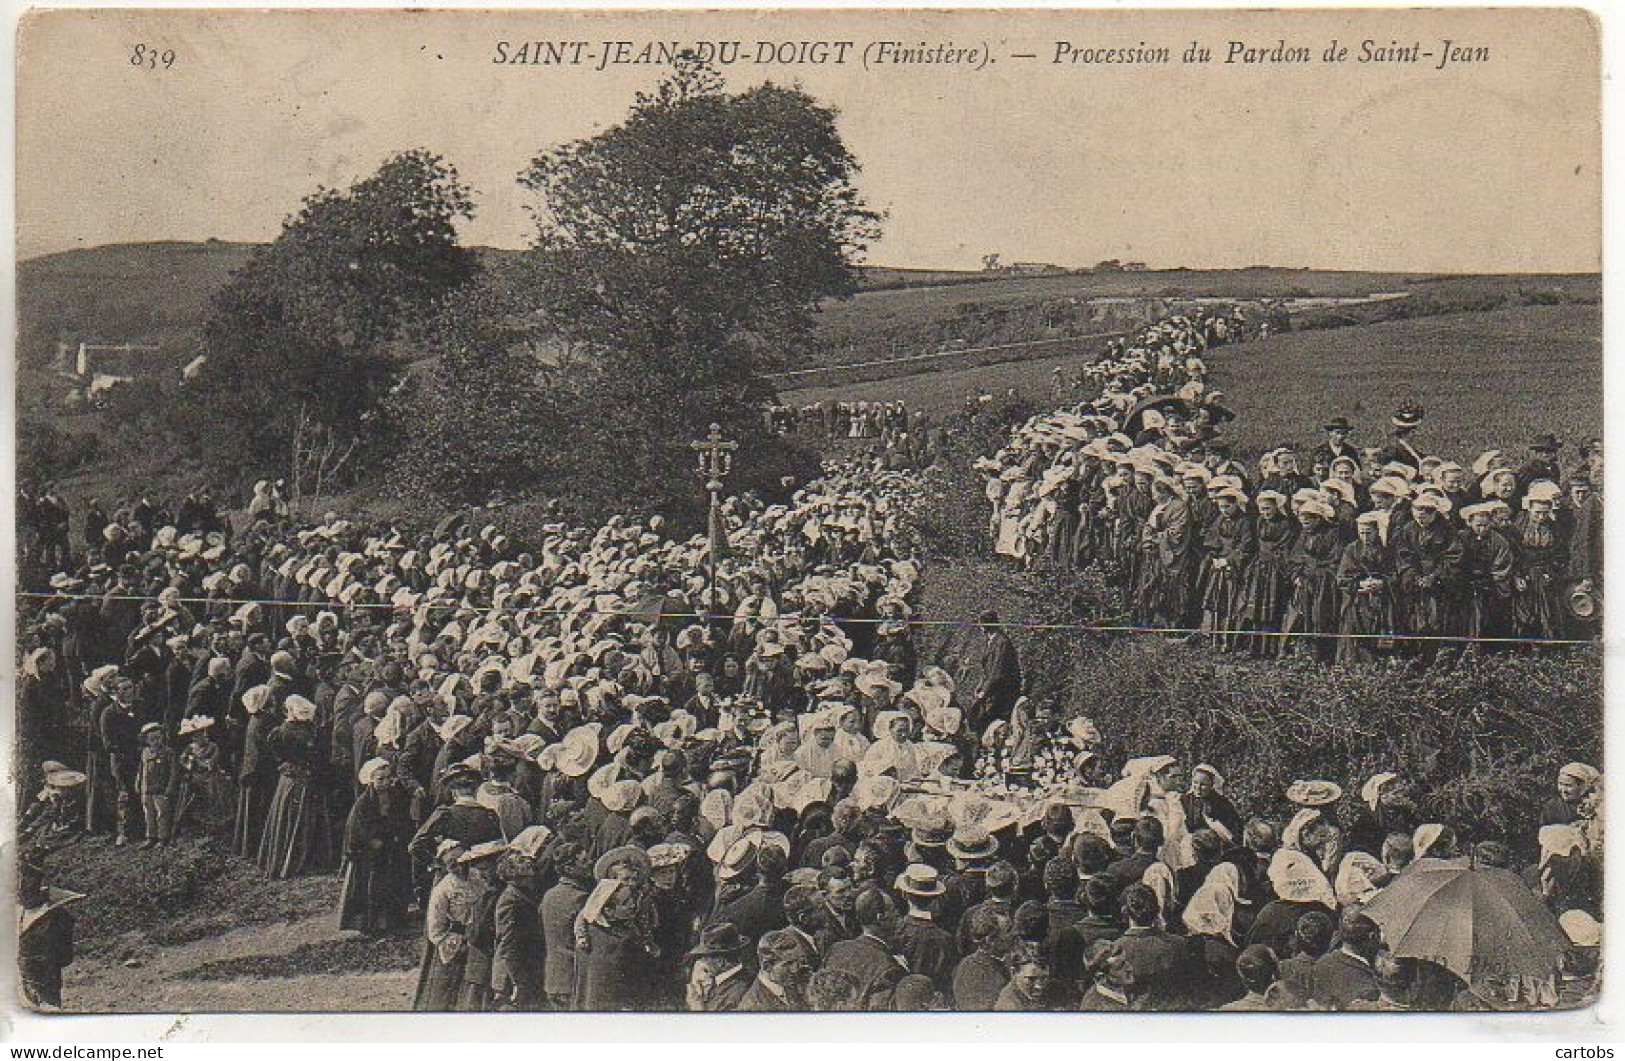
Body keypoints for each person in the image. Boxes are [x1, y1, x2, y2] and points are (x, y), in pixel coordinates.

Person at [258, 694, 334, 878]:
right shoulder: (293, 731)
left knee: (294, 817)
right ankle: (294, 860)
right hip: (299, 779)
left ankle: (296, 858)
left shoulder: (290, 729)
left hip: (294, 778)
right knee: (297, 817)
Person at [339, 758, 417, 935]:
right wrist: (371, 840)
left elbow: (403, 818)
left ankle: (396, 918)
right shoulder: (363, 803)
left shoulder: (396, 796)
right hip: (372, 852)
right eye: (380, 779)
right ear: (371, 780)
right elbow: (356, 828)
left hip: (393, 847)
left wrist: (401, 834)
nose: (384, 783)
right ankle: (373, 922)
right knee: (374, 886)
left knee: (397, 881)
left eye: (388, 778)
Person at [735, 929, 814, 1011]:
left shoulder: (802, 981)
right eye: (788, 964)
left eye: (798, 961)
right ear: (767, 966)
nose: (795, 969)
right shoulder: (751, 1007)